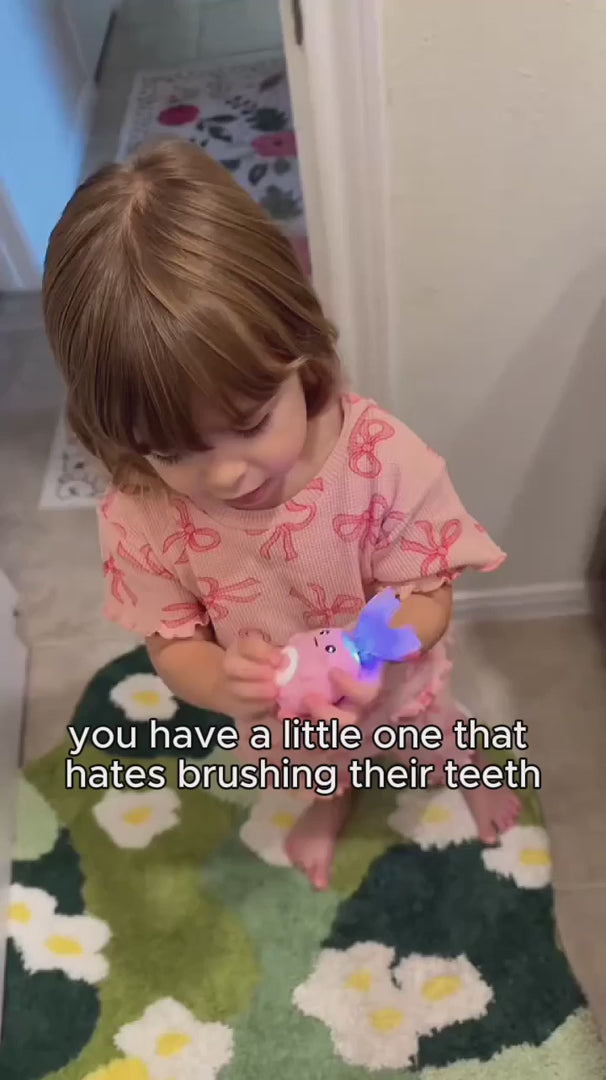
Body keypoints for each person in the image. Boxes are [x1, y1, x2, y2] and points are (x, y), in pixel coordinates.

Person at [42, 139, 520, 890]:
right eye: (174, 452)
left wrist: (363, 648)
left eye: (252, 420)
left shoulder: (378, 458)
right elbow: (172, 644)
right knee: (314, 767)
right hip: (286, 717)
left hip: (393, 681)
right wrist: (221, 682)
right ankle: (332, 803)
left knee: (435, 727)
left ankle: (467, 770)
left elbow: (431, 596)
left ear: (297, 350)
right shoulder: (142, 513)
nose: (227, 473)